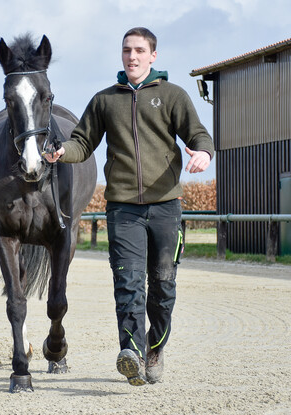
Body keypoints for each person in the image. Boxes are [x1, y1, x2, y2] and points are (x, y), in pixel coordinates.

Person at [46, 27, 214, 386]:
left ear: (153, 56)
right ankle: (132, 355)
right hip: (123, 210)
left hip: (167, 207)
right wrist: (62, 152)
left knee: (163, 285)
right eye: (126, 50)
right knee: (128, 282)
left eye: (139, 50)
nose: (132, 56)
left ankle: (155, 347)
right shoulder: (105, 100)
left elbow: (198, 133)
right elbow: (82, 143)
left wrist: (203, 152)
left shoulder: (172, 95)